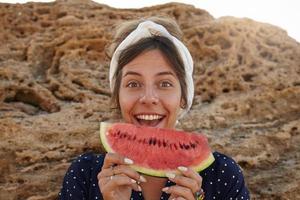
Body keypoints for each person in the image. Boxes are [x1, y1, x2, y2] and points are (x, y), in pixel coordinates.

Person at [58, 16, 250, 200]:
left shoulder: (222, 175)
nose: (148, 98)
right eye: (133, 84)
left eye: (165, 84)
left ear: (183, 97)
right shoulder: (85, 174)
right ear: (117, 96)